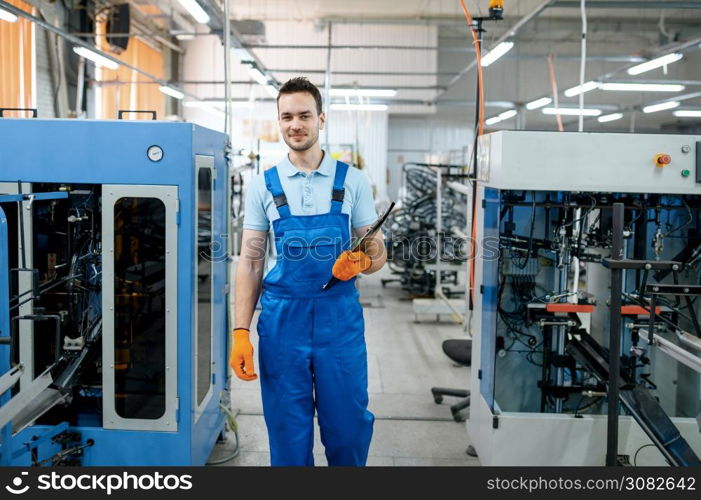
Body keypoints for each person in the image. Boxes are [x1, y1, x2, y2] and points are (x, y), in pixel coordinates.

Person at [230, 77, 387, 466]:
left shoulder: (352, 180)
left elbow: (378, 251)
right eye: (287, 117)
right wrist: (240, 331)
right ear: (279, 122)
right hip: (283, 323)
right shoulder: (263, 186)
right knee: (287, 433)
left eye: (304, 115)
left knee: (349, 429)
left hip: (339, 322)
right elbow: (250, 261)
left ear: (321, 119)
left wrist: (364, 261)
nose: (295, 124)